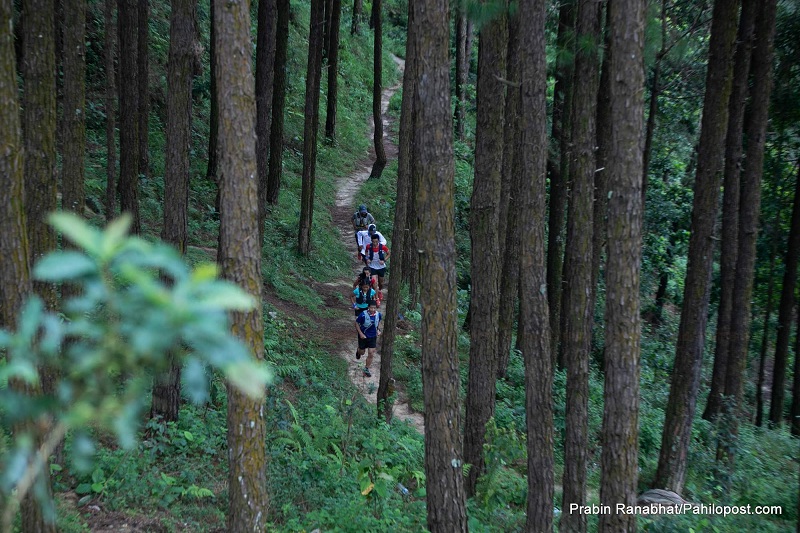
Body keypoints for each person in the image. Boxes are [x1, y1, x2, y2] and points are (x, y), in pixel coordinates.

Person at [355, 301, 382, 377]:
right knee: (362, 352)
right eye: (371, 307)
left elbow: (378, 323)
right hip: (363, 336)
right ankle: (358, 351)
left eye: (374, 308)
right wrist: (360, 333)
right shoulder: (363, 314)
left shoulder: (378, 315)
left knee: (371, 353)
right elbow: (356, 323)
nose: (372, 309)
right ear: (368, 307)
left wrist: (378, 330)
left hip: (373, 336)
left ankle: (366, 369)